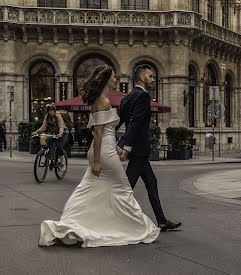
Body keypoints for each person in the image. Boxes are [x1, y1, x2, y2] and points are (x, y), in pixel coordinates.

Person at [39, 65, 160, 248]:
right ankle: (136, 228)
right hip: (103, 153)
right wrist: (97, 161)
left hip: (105, 150)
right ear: (105, 79)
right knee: (124, 190)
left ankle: (67, 225)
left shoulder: (99, 100)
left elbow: (105, 133)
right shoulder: (102, 101)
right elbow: (98, 133)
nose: (116, 79)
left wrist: (117, 150)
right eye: (113, 76)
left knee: (86, 190)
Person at [118, 64, 181, 232]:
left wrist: (120, 142)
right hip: (138, 150)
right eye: (150, 76)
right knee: (126, 187)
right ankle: (114, 218)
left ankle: (161, 221)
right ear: (141, 78)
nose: (153, 79)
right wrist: (127, 146)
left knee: (151, 183)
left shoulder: (127, 97)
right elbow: (135, 123)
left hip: (139, 151)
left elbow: (120, 122)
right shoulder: (143, 97)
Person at [32, 104, 68, 170]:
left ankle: (63, 163)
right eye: (49, 111)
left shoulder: (58, 116)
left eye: (52, 110)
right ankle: (47, 157)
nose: (50, 112)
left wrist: (60, 133)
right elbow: (43, 127)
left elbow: (61, 126)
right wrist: (36, 132)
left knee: (59, 147)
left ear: (54, 111)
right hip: (53, 133)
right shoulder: (47, 117)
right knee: (46, 142)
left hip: (63, 133)